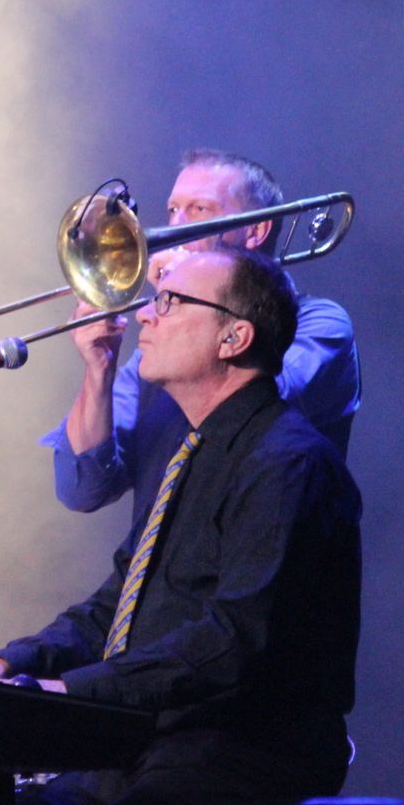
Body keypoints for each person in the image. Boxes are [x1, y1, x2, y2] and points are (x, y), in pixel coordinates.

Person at [0, 247, 361, 805]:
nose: (146, 316)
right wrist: (6, 663)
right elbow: (111, 609)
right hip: (151, 743)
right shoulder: (190, 453)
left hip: (241, 747)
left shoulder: (287, 463)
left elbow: (235, 642)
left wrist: (64, 692)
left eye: (172, 302)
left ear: (235, 336)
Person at [50, 149, 360, 525]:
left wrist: (200, 296)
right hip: (164, 574)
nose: (174, 231)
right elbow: (82, 488)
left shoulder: (321, 324)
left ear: (255, 231)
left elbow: (258, 405)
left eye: (199, 210)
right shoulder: (160, 352)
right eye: (172, 211)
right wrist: (99, 369)